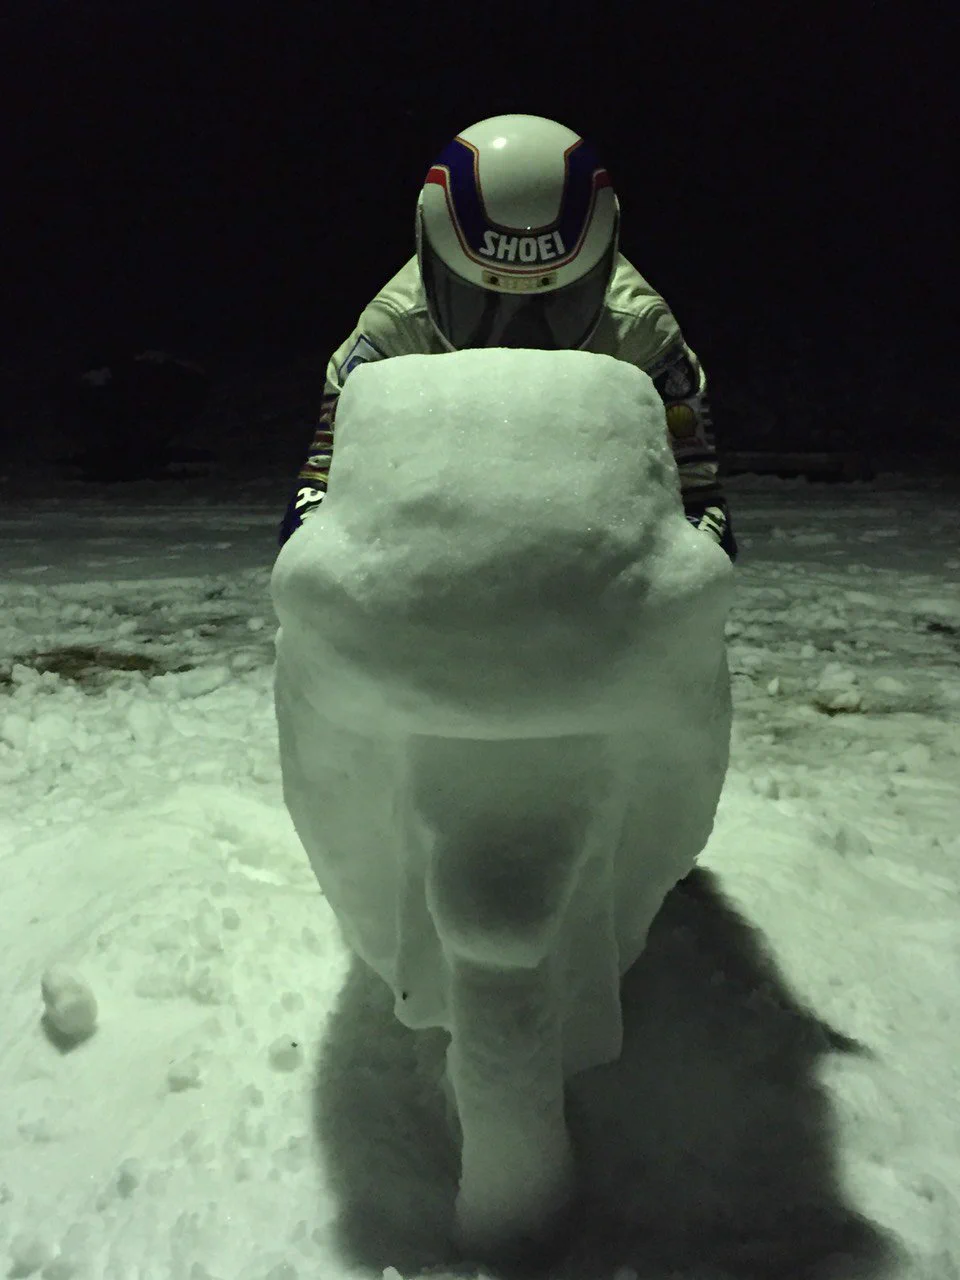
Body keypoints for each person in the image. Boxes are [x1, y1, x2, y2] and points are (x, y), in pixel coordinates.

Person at [279, 113, 736, 559]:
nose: (515, 337)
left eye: (552, 300)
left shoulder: (642, 330)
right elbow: (320, 485)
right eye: (482, 299)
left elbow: (698, 497)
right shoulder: (394, 327)